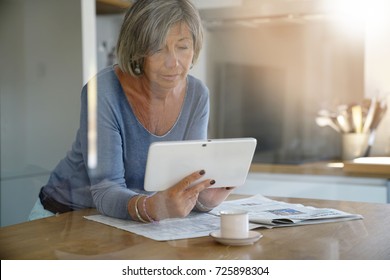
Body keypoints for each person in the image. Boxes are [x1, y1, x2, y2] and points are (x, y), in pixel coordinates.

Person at [28, 0, 234, 222]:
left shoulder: (197, 95)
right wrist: (153, 207)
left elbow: (186, 182)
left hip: (127, 221)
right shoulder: (104, 92)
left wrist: (205, 198)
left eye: (183, 47)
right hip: (63, 217)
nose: (173, 62)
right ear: (137, 50)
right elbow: (106, 188)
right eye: (158, 48)